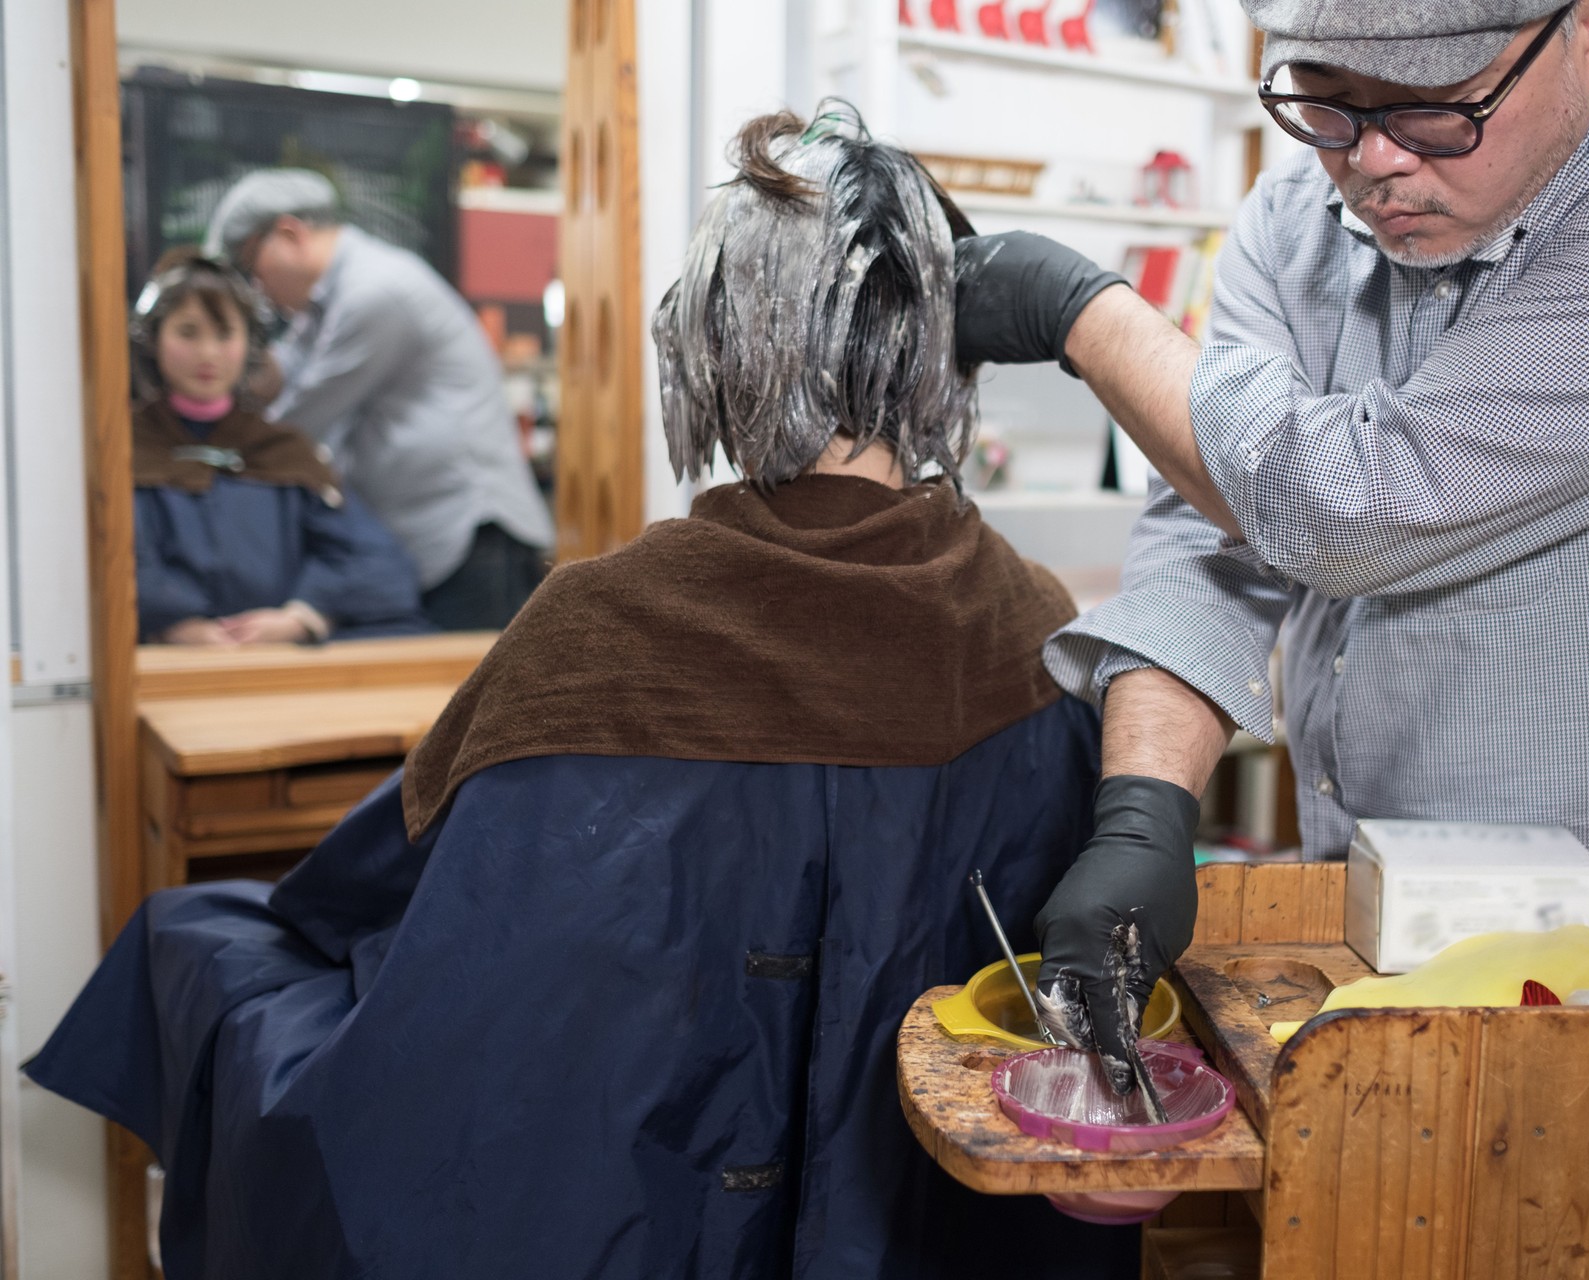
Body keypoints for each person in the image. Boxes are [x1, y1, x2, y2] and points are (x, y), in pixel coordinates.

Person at [28, 105, 1138, 1280]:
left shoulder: (600, 628)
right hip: (916, 1226)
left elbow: (365, 912)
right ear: (943, 343)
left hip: (623, 1223)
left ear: (714, 334)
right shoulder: (1037, 629)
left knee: (194, 936)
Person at [952, 0, 1589, 1089]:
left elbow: (1348, 508)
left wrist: (1087, 315)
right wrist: (1147, 809)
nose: (1371, 164)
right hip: (1361, 920)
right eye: (1325, 103)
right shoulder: (1294, 217)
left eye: (1432, 110)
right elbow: (1217, 524)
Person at [202, 169, 555, 630]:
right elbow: (281, 371)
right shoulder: (327, 301)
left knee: (480, 698)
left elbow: (301, 417)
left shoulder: (374, 291)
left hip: (471, 536)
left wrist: (206, 455)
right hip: (431, 538)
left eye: (253, 270)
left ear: (289, 234)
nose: (258, 288)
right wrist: (230, 346)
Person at [130, 251, 432, 644]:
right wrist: (177, 626)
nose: (208, 354)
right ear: (153, 339)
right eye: (188, 332)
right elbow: (116, 564)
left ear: (249, 344)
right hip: (161, 662)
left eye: (224, 335)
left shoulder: (284, 450)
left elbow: (377, 562)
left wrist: (300, 617)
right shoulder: (124, 448)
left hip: (276, 657)